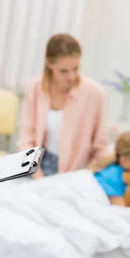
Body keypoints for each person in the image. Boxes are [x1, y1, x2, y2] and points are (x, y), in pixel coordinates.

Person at [17, 33, 108, 178]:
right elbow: (26, 139)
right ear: (49, 64)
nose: (71, 77)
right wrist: (37, 176)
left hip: (75, 173)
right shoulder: (34, 89)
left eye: (76, 68)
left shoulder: (95, 94)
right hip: (36, 167)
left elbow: (100, 146)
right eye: (64, 71)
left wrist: (87, 175)